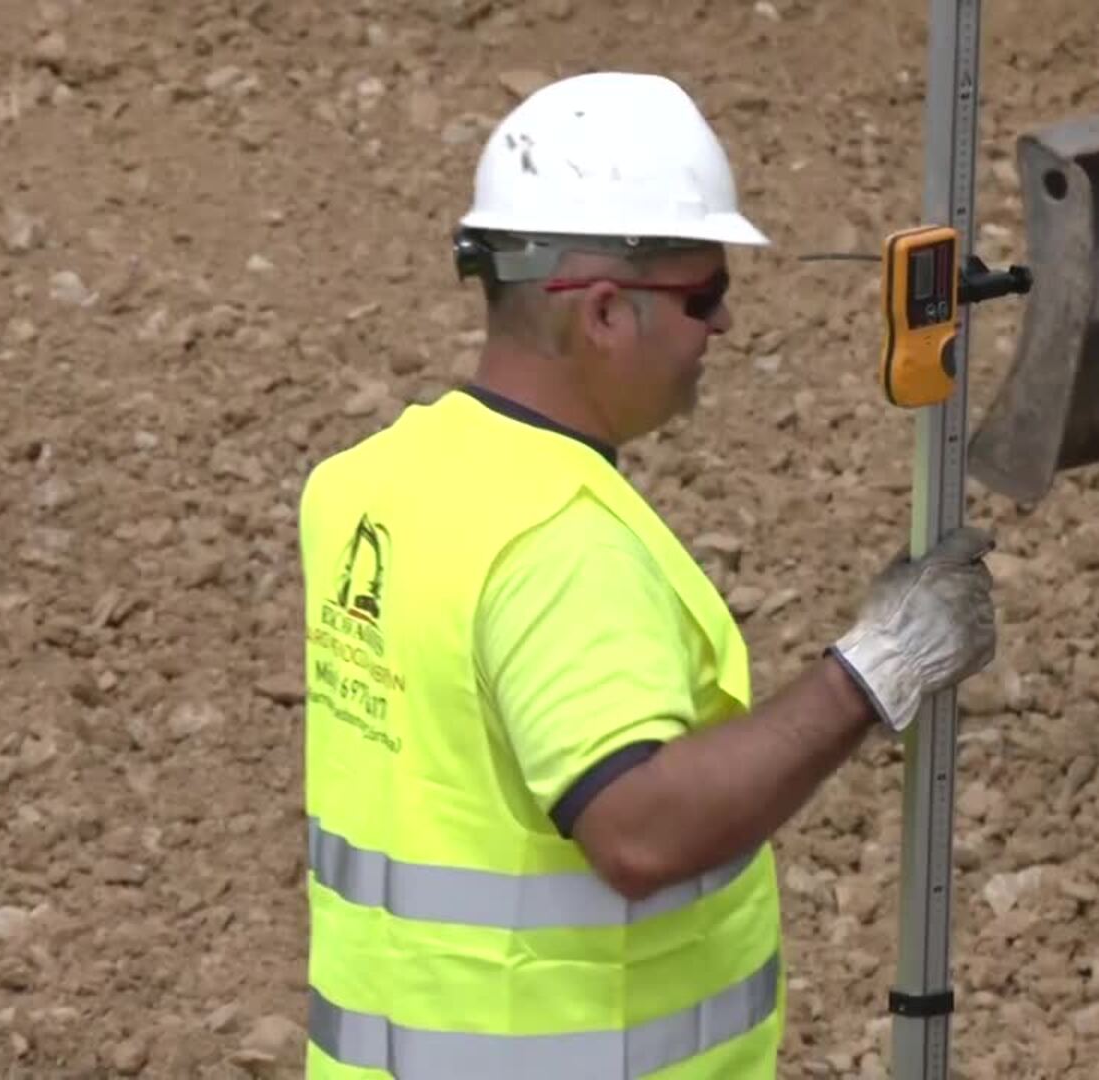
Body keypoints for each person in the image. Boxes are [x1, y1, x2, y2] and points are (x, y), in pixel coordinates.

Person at [293, 71, 998, 1078]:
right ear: (605, 312)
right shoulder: (556, 543)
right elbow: (639, 833)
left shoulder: (366, 487)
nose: (724, 327)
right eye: (703, 296)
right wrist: (878, 667)